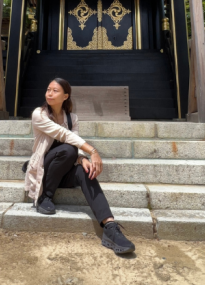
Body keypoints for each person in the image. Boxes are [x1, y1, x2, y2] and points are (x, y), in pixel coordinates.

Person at [23, 77, 136, 254]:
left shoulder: (72, 118)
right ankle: (46, 196)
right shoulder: (40, 114)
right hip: (44, 170)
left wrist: (83, 159)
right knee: (68, 149)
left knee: (85, 172)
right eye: (48, 89)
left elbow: (75, 144)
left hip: (63, 170)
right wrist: (92, 151)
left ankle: (110, 226)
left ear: (66, 96)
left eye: (55, 90)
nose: (49, 93)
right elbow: (65, 136)